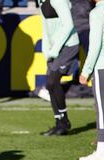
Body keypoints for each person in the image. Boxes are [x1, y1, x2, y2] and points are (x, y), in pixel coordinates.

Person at [37, 0, 79, 136]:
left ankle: (64, 122)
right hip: (54, 48)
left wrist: (54, 50)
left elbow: (68, 25)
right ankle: (59, 123)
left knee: (52, 82)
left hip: (67, 46)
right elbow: (46, 26)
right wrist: (46, 49)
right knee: (50, 85)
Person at [79, 0, 104, 160]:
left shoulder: (97, 13)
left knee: (102, 106)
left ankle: (101, 150)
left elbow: (95, 45)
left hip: (103, 64)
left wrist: (86, 71)